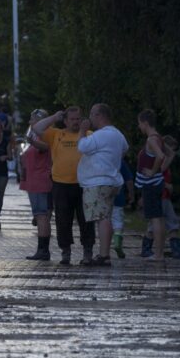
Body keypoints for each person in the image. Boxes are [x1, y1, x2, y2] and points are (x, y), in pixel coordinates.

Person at [32, 106, 94, 265]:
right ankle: (65, 251)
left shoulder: (88, 135)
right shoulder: (56, 134)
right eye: (72, 119)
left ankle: (87, 251)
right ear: (65, 121)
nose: (75, 122)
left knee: (86, 219)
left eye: (78, 119)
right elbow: (37, 128)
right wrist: (54, 117)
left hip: (84, 184)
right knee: (62, 220)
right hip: (61, 184)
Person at [76, 103, 128, 266]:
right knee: (105, 216)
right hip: (111, 180)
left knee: (102, 218)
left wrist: (82, 131)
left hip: (99, 181)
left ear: (99, 116)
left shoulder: (101, 135)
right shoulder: (118, 135)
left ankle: (104, 255)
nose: (89, 118)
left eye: (92, 114)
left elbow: (82, 146)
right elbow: (124, 150)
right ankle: (104, 253)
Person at [135, 109, 173, 260]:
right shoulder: (159, 138)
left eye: (139, 124)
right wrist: (160, 171)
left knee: (155, 218)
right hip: (157, 183)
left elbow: (161, 155)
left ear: (145, 123)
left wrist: (153, 171)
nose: (139, 127)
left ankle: (158, 254)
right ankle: (160, 252)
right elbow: (170, 155)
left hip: (151, 184)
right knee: (159, 218)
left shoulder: (151, 139)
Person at [142, 135, 180, 259]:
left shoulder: (161, 161)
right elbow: (156, 176)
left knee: (163, 223)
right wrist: (167, 185)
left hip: (164, 197)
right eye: (171, 149)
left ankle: (149, 248)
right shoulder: (160, 161)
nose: (172, 153)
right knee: (164, 223)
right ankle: (172, 249)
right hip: (161, 196)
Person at [20, 109, 54, 260]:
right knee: (41, 215)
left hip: (40, 180)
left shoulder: (45, 134)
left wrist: (32, 142)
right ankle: (42, 249)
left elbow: (46, 148)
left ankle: (43, 251)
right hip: (34, 180)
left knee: (42, 215)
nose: (29, 122)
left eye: (32, 120)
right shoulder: (35, 135)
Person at [111, 158, 135, 259]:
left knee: (105, 221)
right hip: (118, 197)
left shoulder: (101, 158)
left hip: (103, 195)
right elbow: (128, 180)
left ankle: (104, 248)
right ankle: (117, 242)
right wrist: (131, 194)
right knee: (118, 221)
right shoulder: (120, 161)